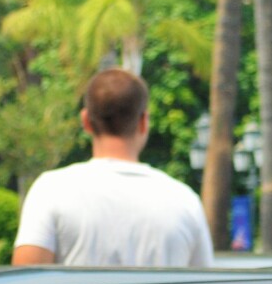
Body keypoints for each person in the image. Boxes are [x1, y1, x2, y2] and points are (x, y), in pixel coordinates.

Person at [12, 69, 213, 269]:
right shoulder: (184, 201)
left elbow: (24, 283)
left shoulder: (51, 190)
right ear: (143, 122)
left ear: (86, 121)